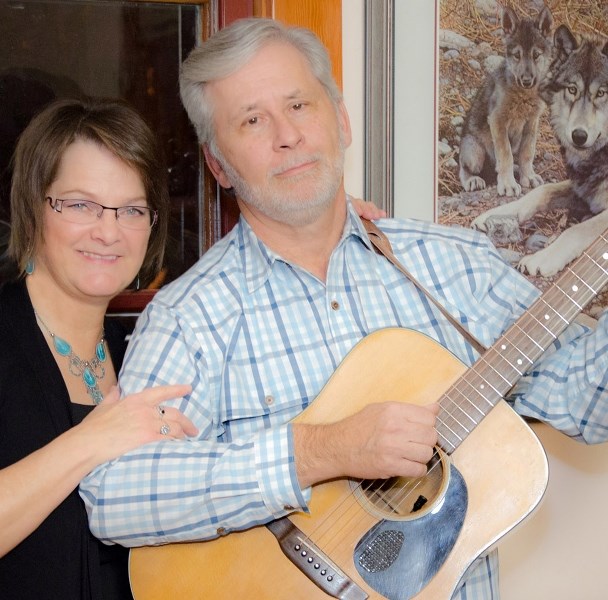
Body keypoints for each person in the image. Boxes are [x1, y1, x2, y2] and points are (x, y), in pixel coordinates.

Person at [80, 18, 608, 599]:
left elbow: (586, 400)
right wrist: (316, 452)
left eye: (300, 105)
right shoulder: (189, 317)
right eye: (252, 120)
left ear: (341, 118)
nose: (287, 135)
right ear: (218, 166)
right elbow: (113, 495)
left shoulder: (456, 265)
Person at [0, 97, 198, 600]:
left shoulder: (147, 351)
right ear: (33, 205)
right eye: (80, 204)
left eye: (131, 210)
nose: (108, 231)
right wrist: (93, 440)